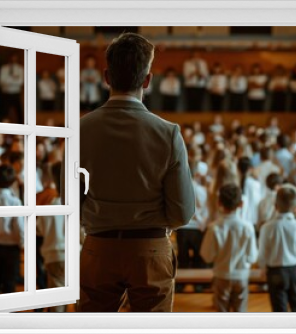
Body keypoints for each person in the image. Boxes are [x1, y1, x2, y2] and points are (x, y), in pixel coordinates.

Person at [76, 33, 195, 312]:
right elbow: (182, 213)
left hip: (98, 246)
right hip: (150, 247)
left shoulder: (80, 130)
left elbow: (69, 203)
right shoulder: (167, 133)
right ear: (147, 81)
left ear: (106, 76)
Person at [200, 184, 258, 312]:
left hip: (221, 275)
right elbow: (253, 257)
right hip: (241, 275)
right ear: (241, 204)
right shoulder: (248, 227)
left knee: (222, 311)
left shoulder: (214, 227)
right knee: (240, 311)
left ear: (219, 203)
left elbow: (207, 256)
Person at [258, 184, 296, 312]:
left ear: (275, 206)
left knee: (279, 310)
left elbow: (263, 252)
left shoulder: (267, 227)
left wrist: (263, 269)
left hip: (275, 271)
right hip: (295, 270)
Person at [36, 162, 66, 312]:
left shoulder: (49, 206)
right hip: (74, 255)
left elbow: (39, 230)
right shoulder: (76, 206)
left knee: (57, 301)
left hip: (53, 256)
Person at [176, 160, 209, 291]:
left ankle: (181, 284)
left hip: (183, 227)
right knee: (197, 257)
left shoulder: (182, 187)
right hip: (197, 228)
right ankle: (198, 284)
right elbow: (206, 210)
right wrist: (202, 223)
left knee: (182, 257)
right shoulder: (203, 190)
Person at [0, 165, 25, 295]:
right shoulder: (14, 201)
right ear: (13, 182)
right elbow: (19, 226)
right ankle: (8, 313)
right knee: (9, 283)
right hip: (11, 248)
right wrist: (23, 243)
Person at [0, 53, 24, 123]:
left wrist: (8, 80)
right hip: (6, 93)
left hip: (16, 93)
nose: (13, 60)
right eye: (12, 58)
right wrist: (14, 78)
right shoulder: (4, 68)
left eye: (15, 58)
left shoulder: (20, 69)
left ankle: (21, 129)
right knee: (4, 112)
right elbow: (2, 81)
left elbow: (21, 82)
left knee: (19, 113)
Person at [237, 157, 262, 228]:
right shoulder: (254, 184)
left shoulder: (241, 182)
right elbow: (257, 202)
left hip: (241, 218)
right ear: (250, 168)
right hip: (252, 219)